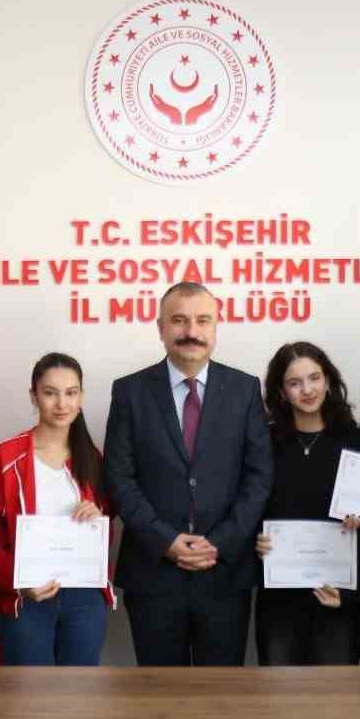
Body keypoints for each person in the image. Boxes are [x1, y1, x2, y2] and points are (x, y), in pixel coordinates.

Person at [103, 282, 272, 667]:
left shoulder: (245, 390)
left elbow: (259, 476)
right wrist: (165, 539)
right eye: (178, 320)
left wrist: (221, 542)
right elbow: (120, 478)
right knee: (159, 700)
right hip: (154, 574)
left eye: (202, 320)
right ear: (160, 327)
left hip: (225, 574)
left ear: (216, 327)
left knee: (221, 699)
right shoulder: (130, 392)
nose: (191, 332)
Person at [0, 353, 114, 666]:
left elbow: (107, 533)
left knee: (81, 696)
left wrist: (98, 521)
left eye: (71, 393)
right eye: (50, 393)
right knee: (30, 699)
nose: (62, 404)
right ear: (33, 396)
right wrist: (17, 581)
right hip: (28, 596)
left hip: (84, 597)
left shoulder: (94, 459)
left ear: (81, 397)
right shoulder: (5, 458)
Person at [253, 342, 360, 666]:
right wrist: (255, 540)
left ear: (328, 380)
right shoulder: (264, 441)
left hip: (336, 595)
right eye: (294, 382)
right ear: (281, 391)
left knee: (334, 705)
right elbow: (250, 507)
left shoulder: (353, 439)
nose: (307, 390)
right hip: (279, 597)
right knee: (278, 700)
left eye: (314, 377)